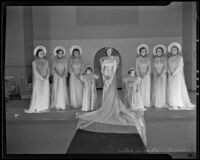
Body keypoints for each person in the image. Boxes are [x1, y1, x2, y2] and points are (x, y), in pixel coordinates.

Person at [76, 47, 147, 146]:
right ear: (106, 52)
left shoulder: (114, 59)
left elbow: (114, 69)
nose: (109, 52)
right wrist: (105, 77)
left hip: (112, 78)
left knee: (112, 92)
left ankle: (113, 105)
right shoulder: (104, 59)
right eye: (107, 51)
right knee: (106, 91)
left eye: (110, 51)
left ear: (111, 52)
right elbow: (102, 69)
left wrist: (111, 78)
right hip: (105, 77)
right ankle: (106, 105)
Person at [167, 42, 196, 110]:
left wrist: (174, 73)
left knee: (177, 88)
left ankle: (178, 103)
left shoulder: (180, 58)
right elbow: (168, 67)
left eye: (175, 50)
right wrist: (170, 72)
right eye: (172, 50)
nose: (174, 51)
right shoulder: (169, 59)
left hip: (177, 76)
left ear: (177, 50)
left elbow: (179, 67)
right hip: (170, 76)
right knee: (171, 88)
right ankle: (172, 103)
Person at [24, 46, 50, 113]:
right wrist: (41, 77)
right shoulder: (34, 62)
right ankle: (38, 106)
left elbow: (48, 70)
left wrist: (46, 76)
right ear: (37, 54)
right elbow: (35, 71)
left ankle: (44, 107)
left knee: (45, 92)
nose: (41, 54)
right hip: (38, 80)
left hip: (45, 80)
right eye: (40, 53)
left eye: (42, 53)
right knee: (38, 92)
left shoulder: (46, 61)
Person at [51, 46, 70, 110]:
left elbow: (66, 69)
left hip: (63, 77)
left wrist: (63, 75)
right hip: (56, 77)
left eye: (61, 53)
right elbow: (53, 69)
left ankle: (63, 103)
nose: (60, 54)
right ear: (57, 53)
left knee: (62, 89)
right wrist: (57, 75)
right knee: (56, 89)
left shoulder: (65, 60)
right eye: (59, 53)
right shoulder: (54, 61)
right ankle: (57, 103)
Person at [151, 44, 168, 109]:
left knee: (162, 88)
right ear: (156, 52)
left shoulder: (164, 59)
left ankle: (162, 102)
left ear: (162, 52)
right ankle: (156, 102)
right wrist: (156, 73)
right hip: (156, 75)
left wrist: (161, 73)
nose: (159, 52)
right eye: (158, 51)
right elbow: (153, 68)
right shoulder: (154, 59)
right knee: (156, 88)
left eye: (160, 51)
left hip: (162, 75)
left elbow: (165, 67)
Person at [136, 44, 151, 109]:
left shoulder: (148, 59)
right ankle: (140, 103)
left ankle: (146, 103)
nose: (143, 53)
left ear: (146, 52)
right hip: (139, 76)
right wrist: (139, 74)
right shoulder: (137, 59)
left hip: (146, 76)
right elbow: (136, 68)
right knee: (140, 89)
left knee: (146, 89)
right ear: (140, 52)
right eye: (142, 51)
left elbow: (149, 68)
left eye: (144, 51)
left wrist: (145, 75)